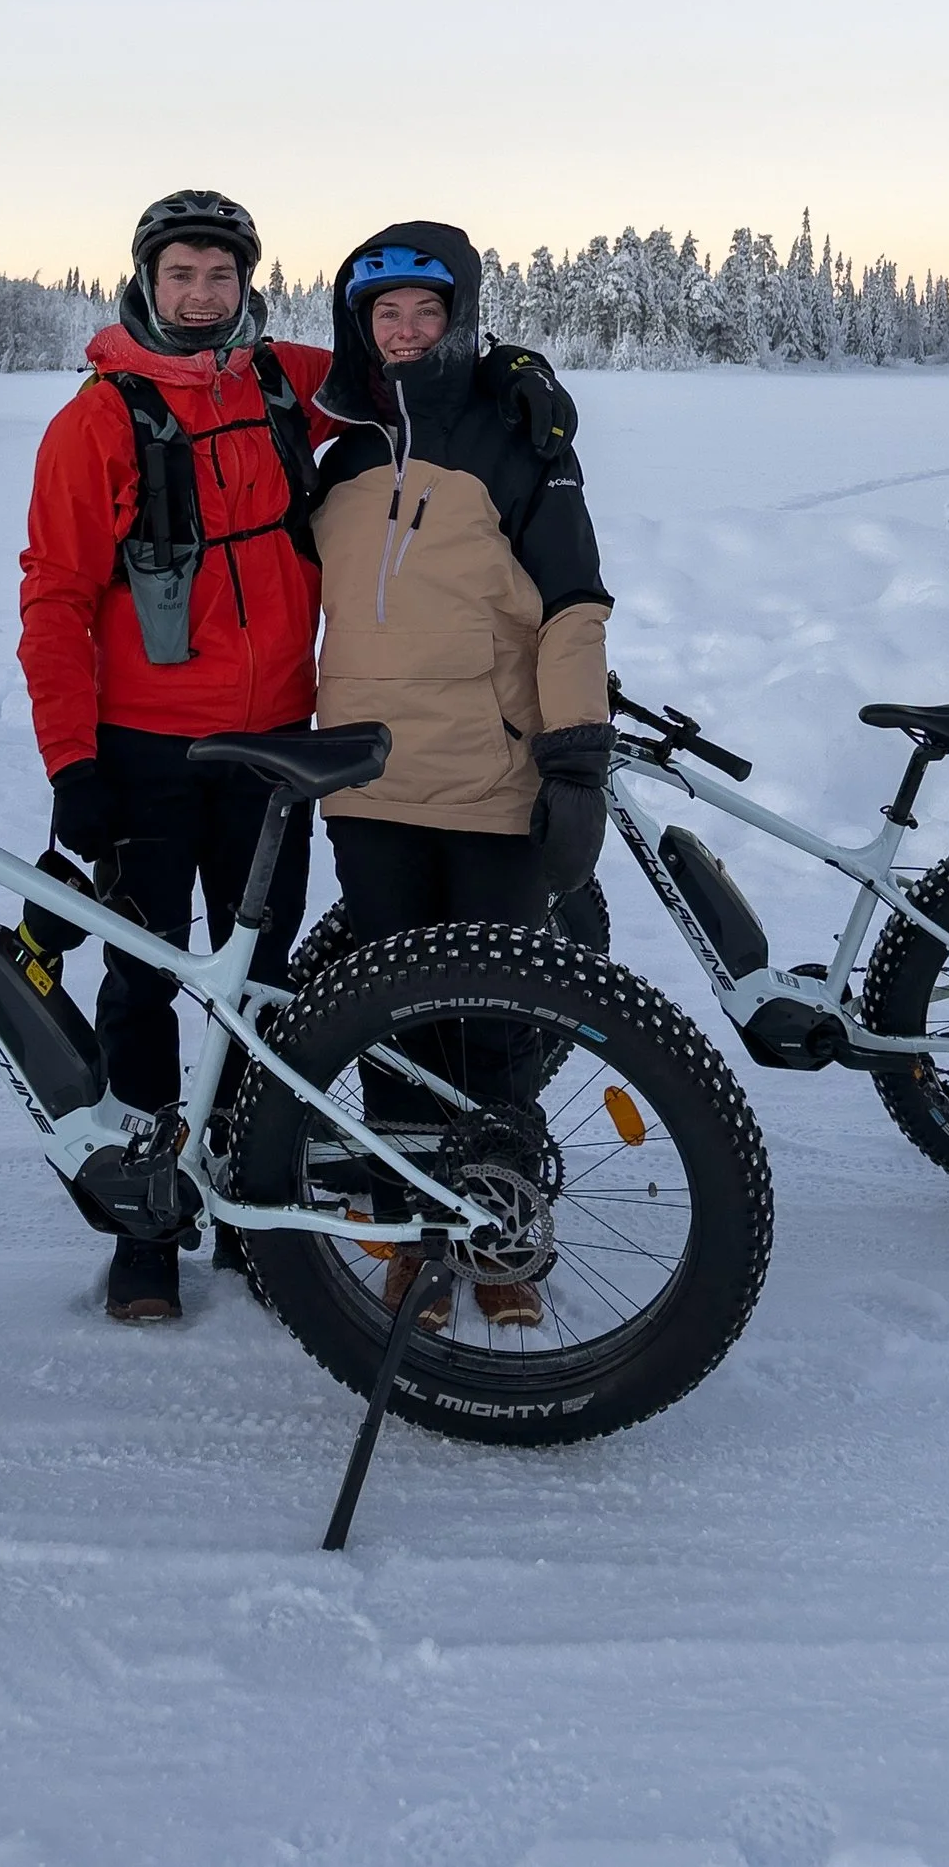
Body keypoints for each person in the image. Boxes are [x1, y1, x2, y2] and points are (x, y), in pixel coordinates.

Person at [17, 191, 337, 1324]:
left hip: (277, 746)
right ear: (145, 281)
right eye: (180, 275)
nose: (200, 296)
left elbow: (397, 362)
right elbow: (54, 599)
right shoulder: (95, 422)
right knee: (142, 980)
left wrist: (501, 376)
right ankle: (146, 1223)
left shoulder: (281, 381)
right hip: (149, 747)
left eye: (219, 276)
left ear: (247, 283)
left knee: (258, 985)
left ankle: (251, 1200)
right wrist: (72, 762)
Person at [309, 219, 613, 1333]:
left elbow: (573, 605)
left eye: (425, 311)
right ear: (359, 326)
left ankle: (504, 1233)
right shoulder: (336, 452)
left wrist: (576, 757)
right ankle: (407, 1236)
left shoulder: (519, 441)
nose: (402, 331)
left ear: (460, 316)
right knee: (393, 1028)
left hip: (491, 780)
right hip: (366, 784)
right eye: (381, 314)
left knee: (496, 1024)